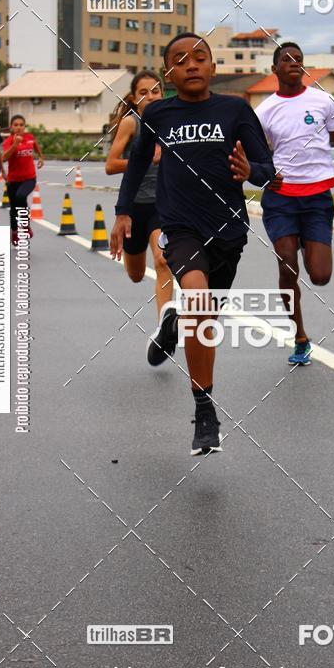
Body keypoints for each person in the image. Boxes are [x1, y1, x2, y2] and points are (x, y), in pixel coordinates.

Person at [110, 33, 278, 455]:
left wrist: (250, 171)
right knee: (198, 297)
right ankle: (205, 411)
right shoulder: (158, 113)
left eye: (199, 57)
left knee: (204, 320)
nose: (191, 64)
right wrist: (123, 212)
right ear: (169, 73)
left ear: (213, 67)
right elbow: (135, 166)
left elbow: (267, 169)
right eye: (180, 60)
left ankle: (178, 325)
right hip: (179, 226)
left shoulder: (235, 110)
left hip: (228, 230)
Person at [255, 42, 334, 365]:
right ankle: (300, 336)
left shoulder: (323, 102)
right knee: (286, 262)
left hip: (317, 198)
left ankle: (304, 243)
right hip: (281, 198)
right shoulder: (265, 111)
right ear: (275, 69)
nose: (294, 63)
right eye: (287, 59)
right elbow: (255, 156)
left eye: (298, 59)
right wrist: (264, 175)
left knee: (320, 276)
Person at [105, 71, 175, 366]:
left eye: (156, 91)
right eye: (143, 92)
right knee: (135, 275)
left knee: (162, 260)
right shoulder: (130, 123)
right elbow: (111, 165)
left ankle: (164, 331)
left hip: (163, 205)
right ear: (134, 98)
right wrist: (144, 159)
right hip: (134, 208)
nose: (151, 96)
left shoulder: (172, 122)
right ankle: (164, 324)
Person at [2, 114, 43, 245]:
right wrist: (15, 145)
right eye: (16, 125)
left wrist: (41, 157)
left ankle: (25, 225)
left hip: (29, 178)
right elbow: (4, 158)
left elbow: (35, 145)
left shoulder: (29, 137)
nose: (19, 127)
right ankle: (14, 232)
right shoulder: (8, 141)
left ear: (24, 126)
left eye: (21, 125)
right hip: (13, 180)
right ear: (11, 127)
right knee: (14, 209)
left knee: (21, 196)